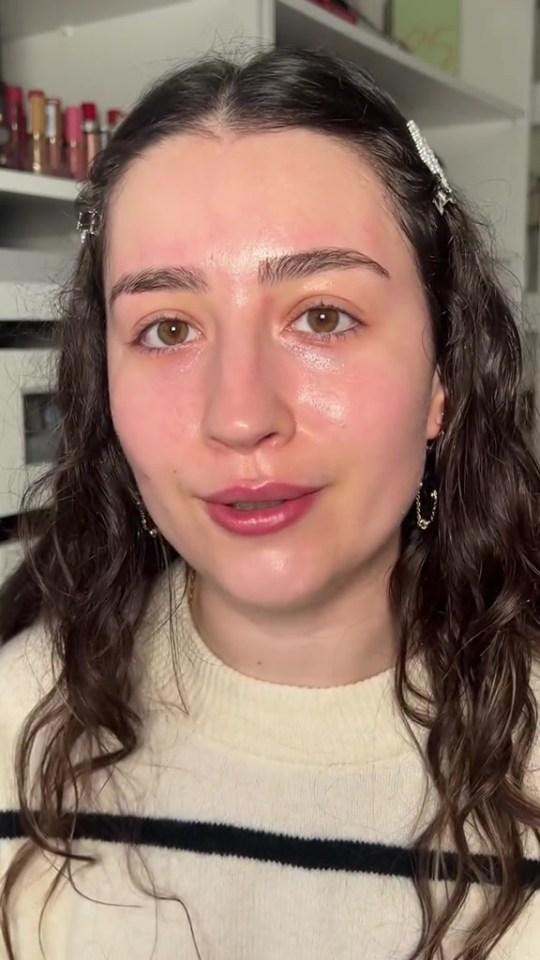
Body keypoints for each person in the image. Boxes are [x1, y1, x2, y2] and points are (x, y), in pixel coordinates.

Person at [0, 45, 538, 960]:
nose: (240, 415)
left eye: (323, 316)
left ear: (444, 374)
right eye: (167, 329)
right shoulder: (14, 729)